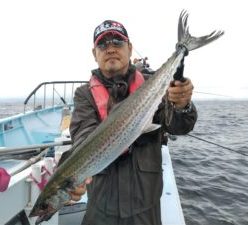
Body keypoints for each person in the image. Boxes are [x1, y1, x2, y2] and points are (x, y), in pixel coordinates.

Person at [66, 20, 197, 225]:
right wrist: (75, 172)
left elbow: (179, 126)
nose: (110, 49)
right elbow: (83, 135)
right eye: (103, 45)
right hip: (100, 211)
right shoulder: (84, 95)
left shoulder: (154, 83)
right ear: (94, 54)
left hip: (145, 210)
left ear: (129, 48)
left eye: (117, 42)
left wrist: (182, 105)